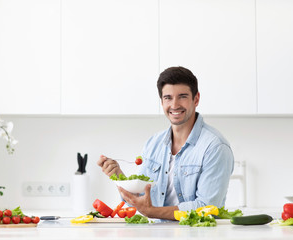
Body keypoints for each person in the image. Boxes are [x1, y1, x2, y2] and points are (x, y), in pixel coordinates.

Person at [97, 66, 234, 220]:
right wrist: (119, 176)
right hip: (157, 234)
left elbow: (207, 207)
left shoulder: (215, 147)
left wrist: (152, 212)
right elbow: (140, 201)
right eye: (168, 97)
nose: (175, 105)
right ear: (162, 102)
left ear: (196, 99)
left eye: (182, 96)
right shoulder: (153, 144)